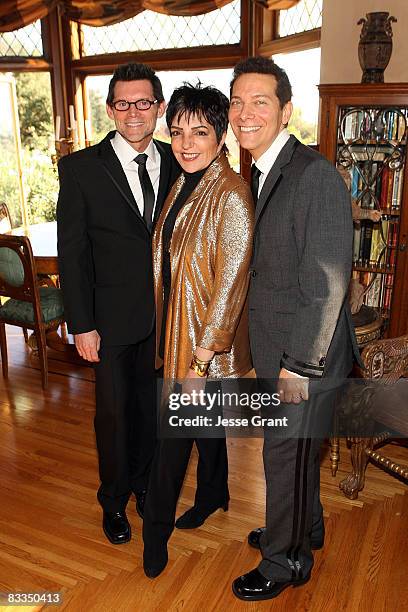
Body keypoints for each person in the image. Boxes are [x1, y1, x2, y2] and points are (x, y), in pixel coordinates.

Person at [228, 57, 360, 601]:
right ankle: (306, 526)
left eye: (260, 101)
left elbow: (327, 282)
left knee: (283, 455)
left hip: (306, 356)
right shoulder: (262, 173)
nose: (244, 112)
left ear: (286, 110)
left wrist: (297, 366)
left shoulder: (315, 176)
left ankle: (285, 561)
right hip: (278, 343)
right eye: (237, 102)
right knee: (296, 452)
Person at [57, 63, 179, 546]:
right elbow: (73, 252)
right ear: (110, 109)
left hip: (166, 321)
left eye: (144, 102)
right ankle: (113, 500)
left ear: (159, 108)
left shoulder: (178, 161)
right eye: (123, 103)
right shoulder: (82, 168)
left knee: (151, 410)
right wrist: (81, 324)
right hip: (106, 322)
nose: (134, 112)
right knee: (112, 415)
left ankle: (146, 486)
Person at [142, 83, 254, 578]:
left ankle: (155, 535)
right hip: (175, 332)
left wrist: (199, 361)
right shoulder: (183, 182)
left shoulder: (229, 193)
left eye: (200, 132)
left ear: (220, 134)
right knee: (206, 430)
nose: (186, 143)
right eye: (179, 131)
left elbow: (231, 283)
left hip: (201, 348)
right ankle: (214, 492)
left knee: (170, 441)